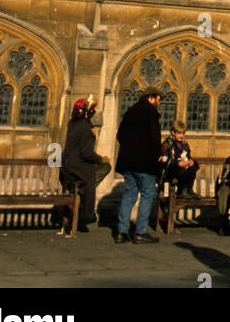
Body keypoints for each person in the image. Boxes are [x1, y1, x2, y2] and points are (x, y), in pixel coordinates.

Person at [114, 88, 162, 244]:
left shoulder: (130, 111)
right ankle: (140, 232)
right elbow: (154, 139)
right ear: (150, 98)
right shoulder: (151, 113)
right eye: (158, 99)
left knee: (129, 195)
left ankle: (122, 232)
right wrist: (155, 155)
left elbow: (120, 135)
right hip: (145, 163)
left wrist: (130, 148)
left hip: (128, 162)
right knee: (148, 195)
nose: (159, 102)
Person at [59, 96, 110, 233]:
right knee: (95, 174)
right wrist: (101, 159)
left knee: (89, 177)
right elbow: (86, 153)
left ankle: (80, 201)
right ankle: (87, 214)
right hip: (76, 166)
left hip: (66, 166)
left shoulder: (73, 124)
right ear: (87, 114)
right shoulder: (85, 128)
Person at [158, 121, 199, 198]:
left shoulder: (184, 143)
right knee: (181, 169)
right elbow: (164, 159)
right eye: (179, 133)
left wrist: (190, 161)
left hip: (182, 168)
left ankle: (189, 190)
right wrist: (178, 163)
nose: (181, 136)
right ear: (173, 132)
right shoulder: (167, 143)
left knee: (193, 167)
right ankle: (181, 190)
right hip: (170, 171)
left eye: (183, 133)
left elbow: (188, 155)